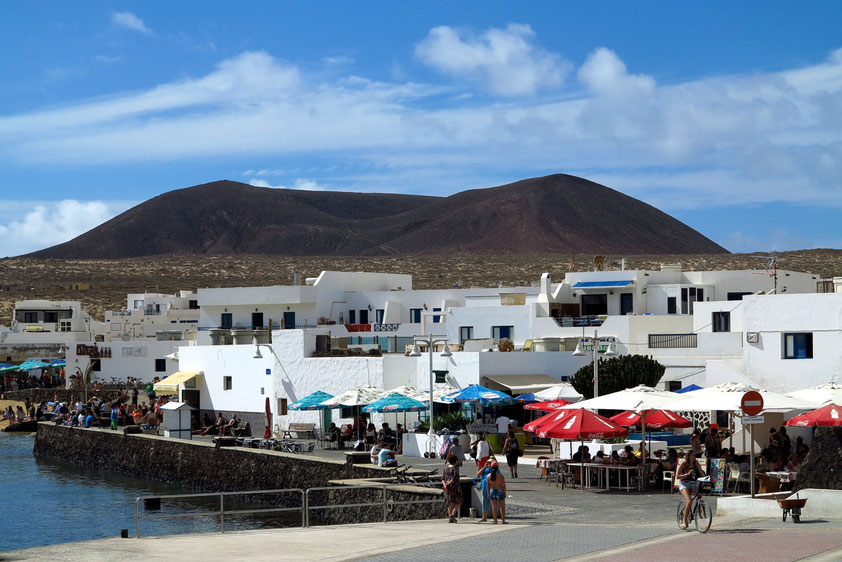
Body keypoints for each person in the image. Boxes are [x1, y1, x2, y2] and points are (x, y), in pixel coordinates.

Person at [676, 450, 706, 529]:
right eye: (692, 455)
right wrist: (687, 474)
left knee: (700, 492)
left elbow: (701, 472)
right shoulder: (684, 464)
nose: (694, 457)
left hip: (693, 484)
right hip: (684, 484)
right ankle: (684, 521)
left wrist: (706, 478)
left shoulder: (696, 463)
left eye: (694, 456)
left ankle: (697, 505)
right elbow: (677, 476)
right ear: (688, 456)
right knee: (689, 501)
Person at [442, 455, 462, 523]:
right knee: (459, 501)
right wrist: (449, 483)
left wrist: (445, 485)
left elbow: (443, 479)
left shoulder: (446, 469)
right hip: (455, 487)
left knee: (450, 502)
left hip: (447, 488)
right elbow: (454, 478)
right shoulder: (455, 469)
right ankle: (453, 515)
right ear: (455, 461)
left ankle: (450, 517)